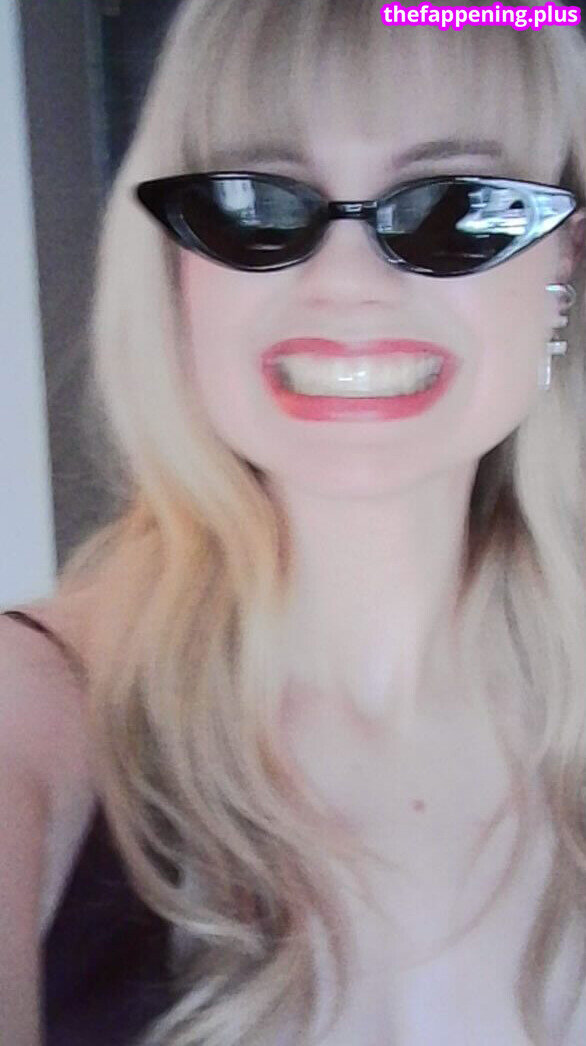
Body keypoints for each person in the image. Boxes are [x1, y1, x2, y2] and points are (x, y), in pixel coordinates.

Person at [1, 0, 586, 1043]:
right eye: (254, 202)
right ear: (175, 266)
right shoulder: (30, 720)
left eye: (457, 207)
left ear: (565, 263)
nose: (346, 284)